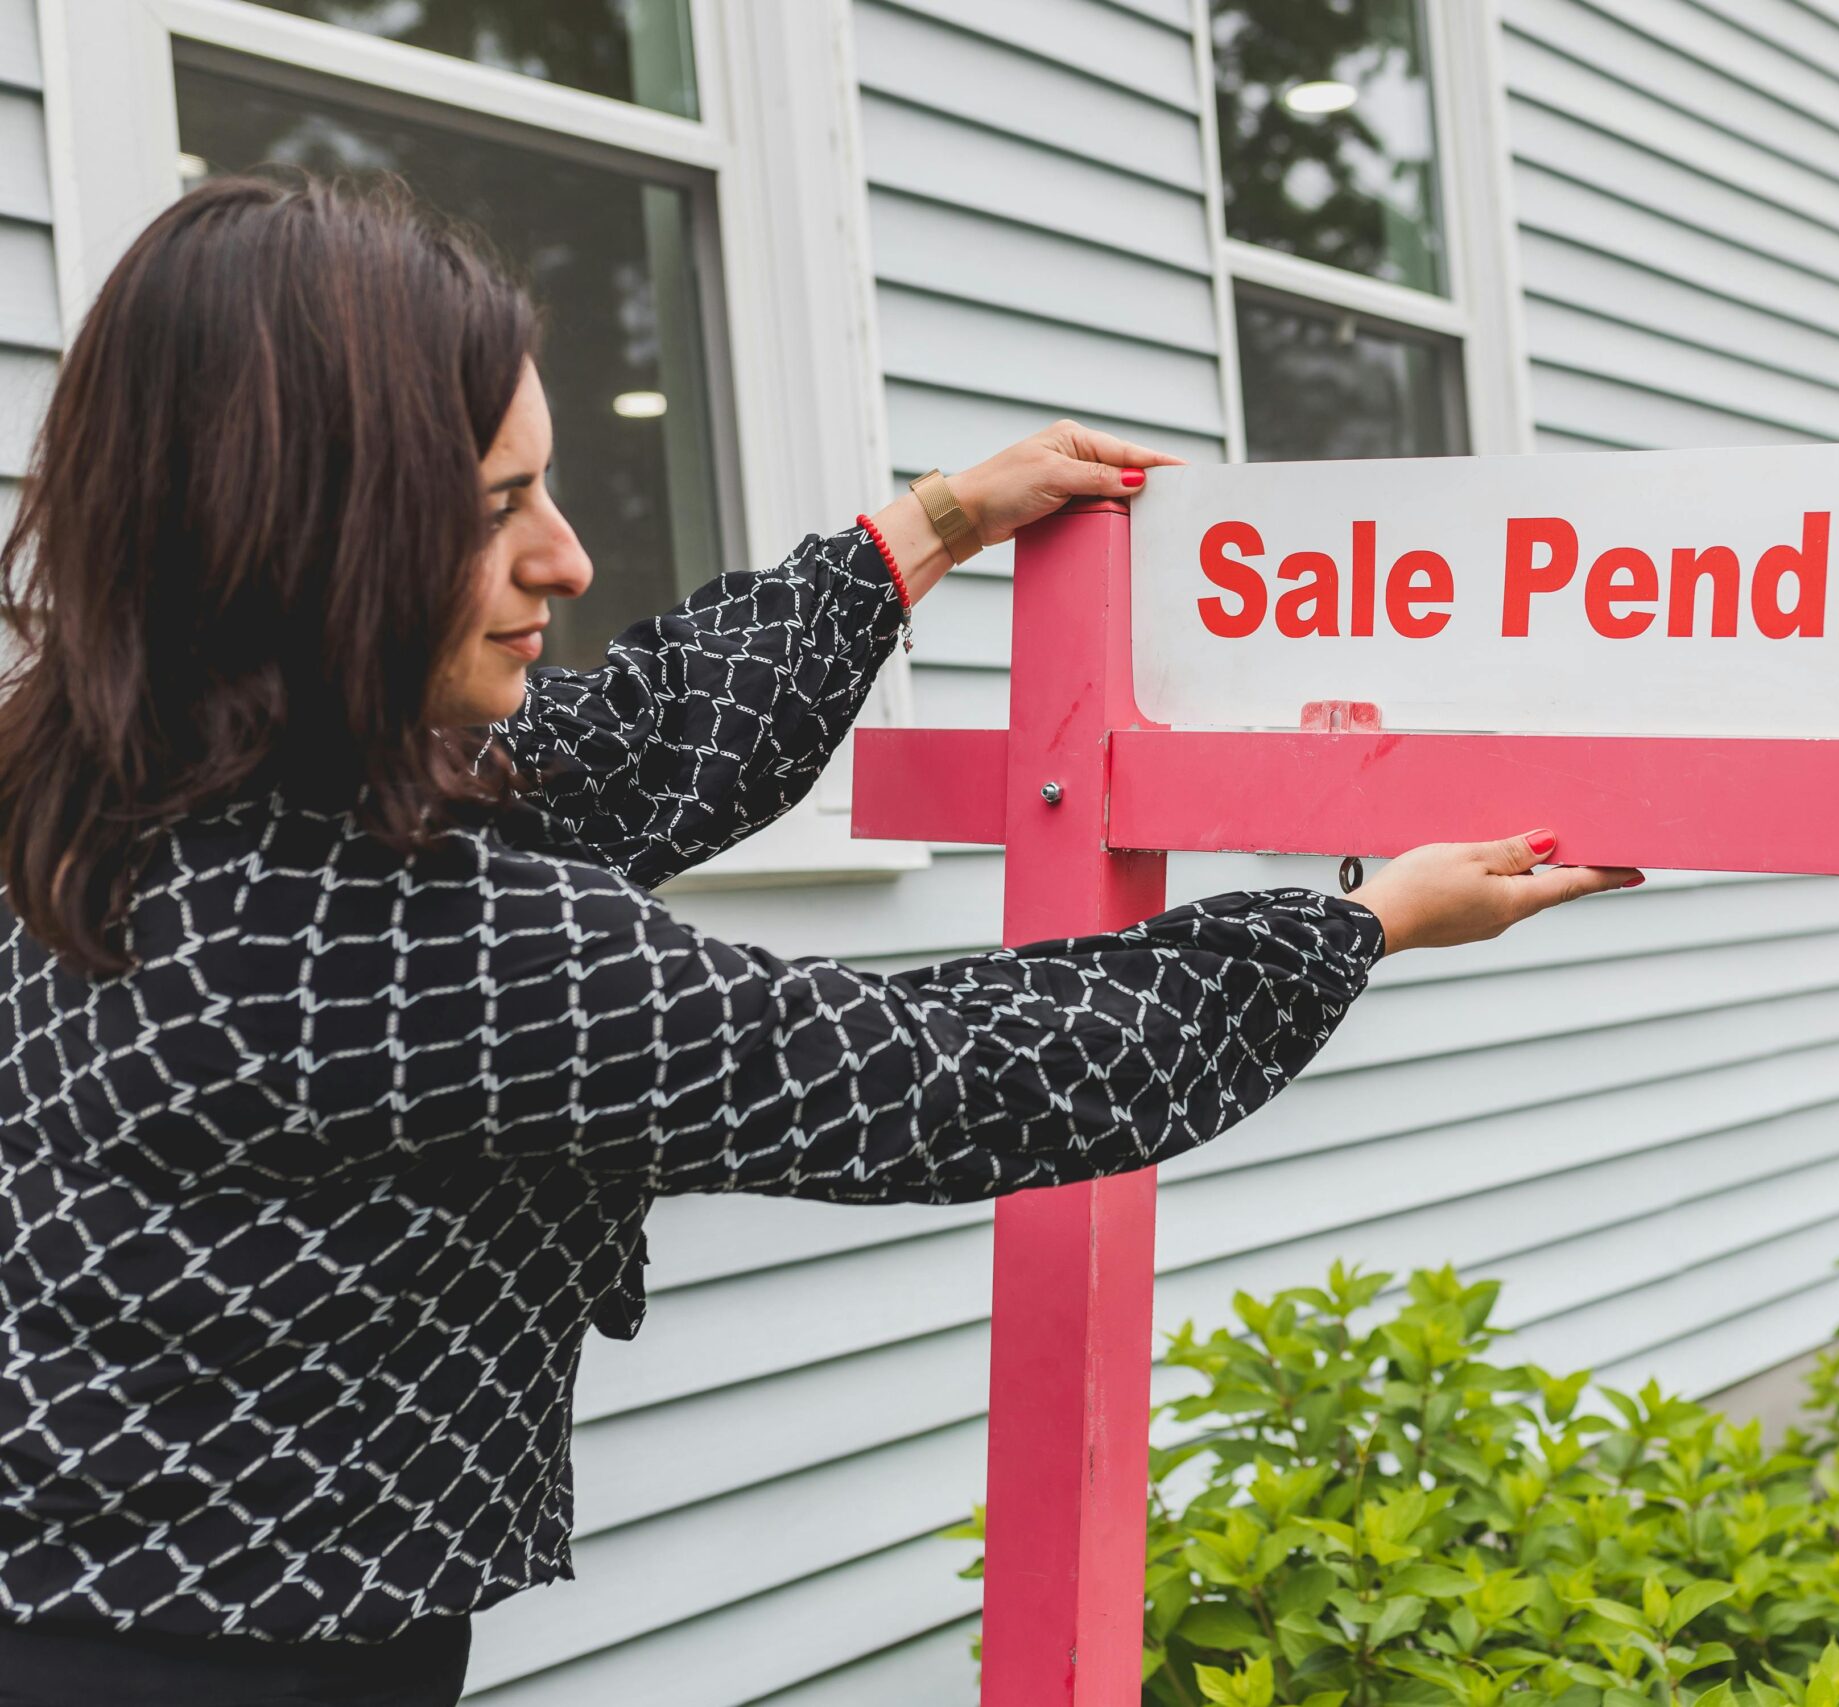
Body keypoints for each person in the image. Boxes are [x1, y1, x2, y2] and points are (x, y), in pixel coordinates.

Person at [0, 175, 1637, 1706]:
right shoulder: (409, 936)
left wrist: (924, 529)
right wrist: (1359, 925)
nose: (563, 555)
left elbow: (626, 749)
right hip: (222, 1653)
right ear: (302, 534)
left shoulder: (115, 762)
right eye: (496, 510)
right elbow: (948, 1080)